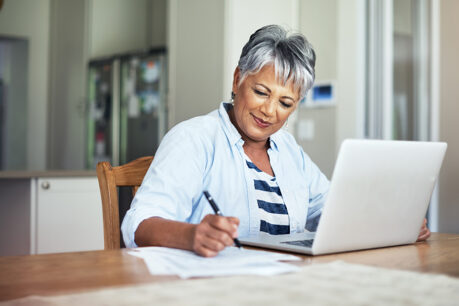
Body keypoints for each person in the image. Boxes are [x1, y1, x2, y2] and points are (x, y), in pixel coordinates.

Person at [121, 25, 430, 257]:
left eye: (285, 103)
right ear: (237, 79)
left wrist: (393, 223)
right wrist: (191, 236)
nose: (269, 112)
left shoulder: (289, 149)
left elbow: (331, 211)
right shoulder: (194, 139)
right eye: (261, 92)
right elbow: (138, 224)